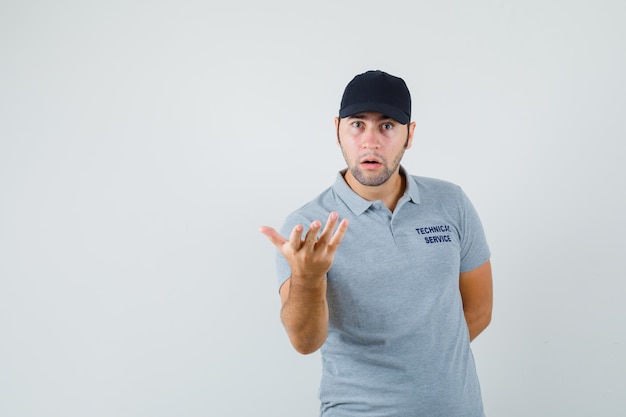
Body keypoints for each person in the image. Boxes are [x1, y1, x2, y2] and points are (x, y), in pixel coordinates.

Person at [259, 70, 493, 417]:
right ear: (337, 129)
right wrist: (308, 279)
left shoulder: (451, 202)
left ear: (409, 134)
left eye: (387, 126)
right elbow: (305, 342)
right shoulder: (307, 227)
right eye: (357, 125)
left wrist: (420, 365)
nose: (370, 141)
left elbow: (478, 310)